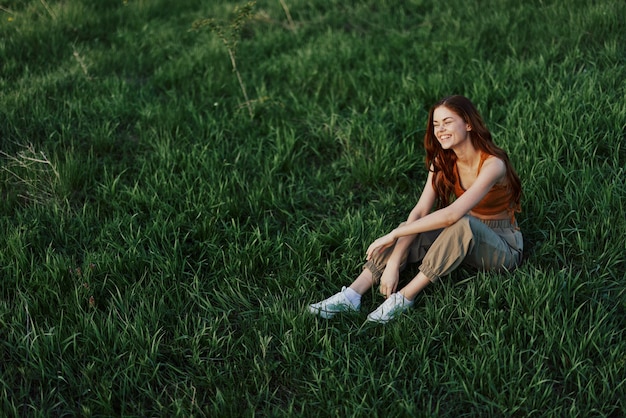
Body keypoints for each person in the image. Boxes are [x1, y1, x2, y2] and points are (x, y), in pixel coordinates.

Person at [308, 95, 523, 324]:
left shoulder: (493, 164)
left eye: (448, 122)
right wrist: (393, 261)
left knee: (458, 224)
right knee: (412, 226)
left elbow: (452, 214)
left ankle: (404, 297)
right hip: (463, 232)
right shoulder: (443, 160)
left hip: (502, 246)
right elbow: (420, 211)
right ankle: (351, 295)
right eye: (436, 124)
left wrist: (393, 234)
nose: (440, 130)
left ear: (468, 124)